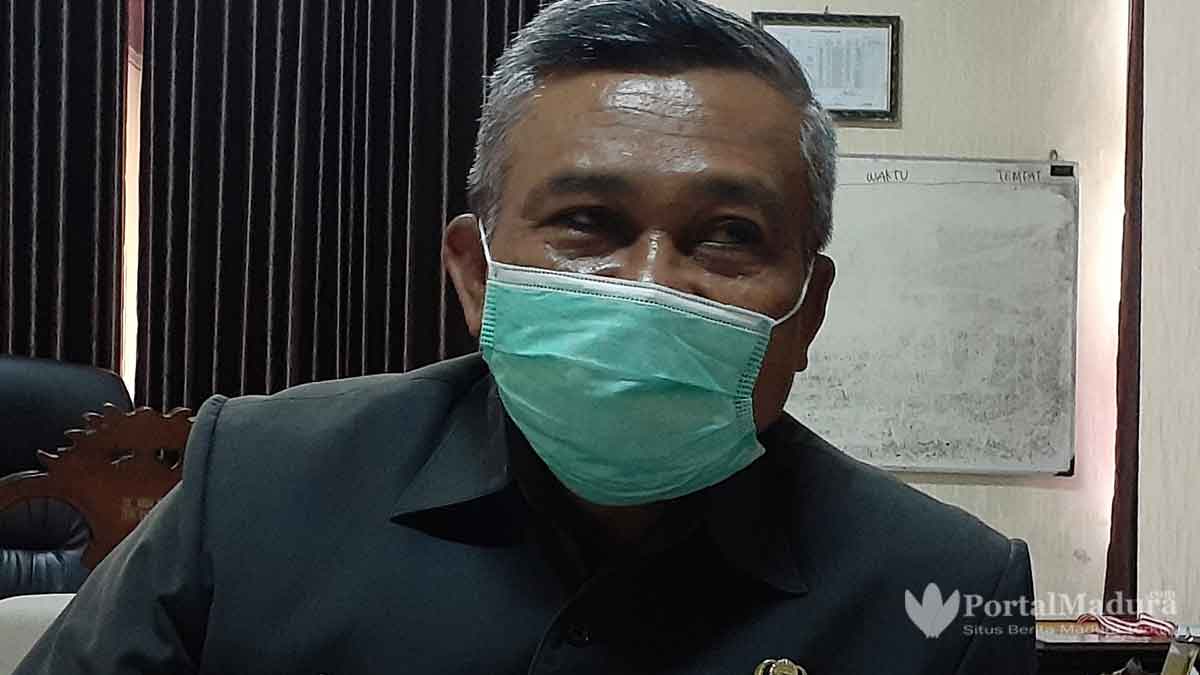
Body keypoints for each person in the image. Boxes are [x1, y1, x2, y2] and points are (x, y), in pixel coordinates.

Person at [16, 1, 1035, 673]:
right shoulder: (258, 485)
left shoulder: (941, 591)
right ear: (475, 273)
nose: (650, 284)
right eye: (588, 222)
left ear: (805, 312)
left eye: (728, 235)